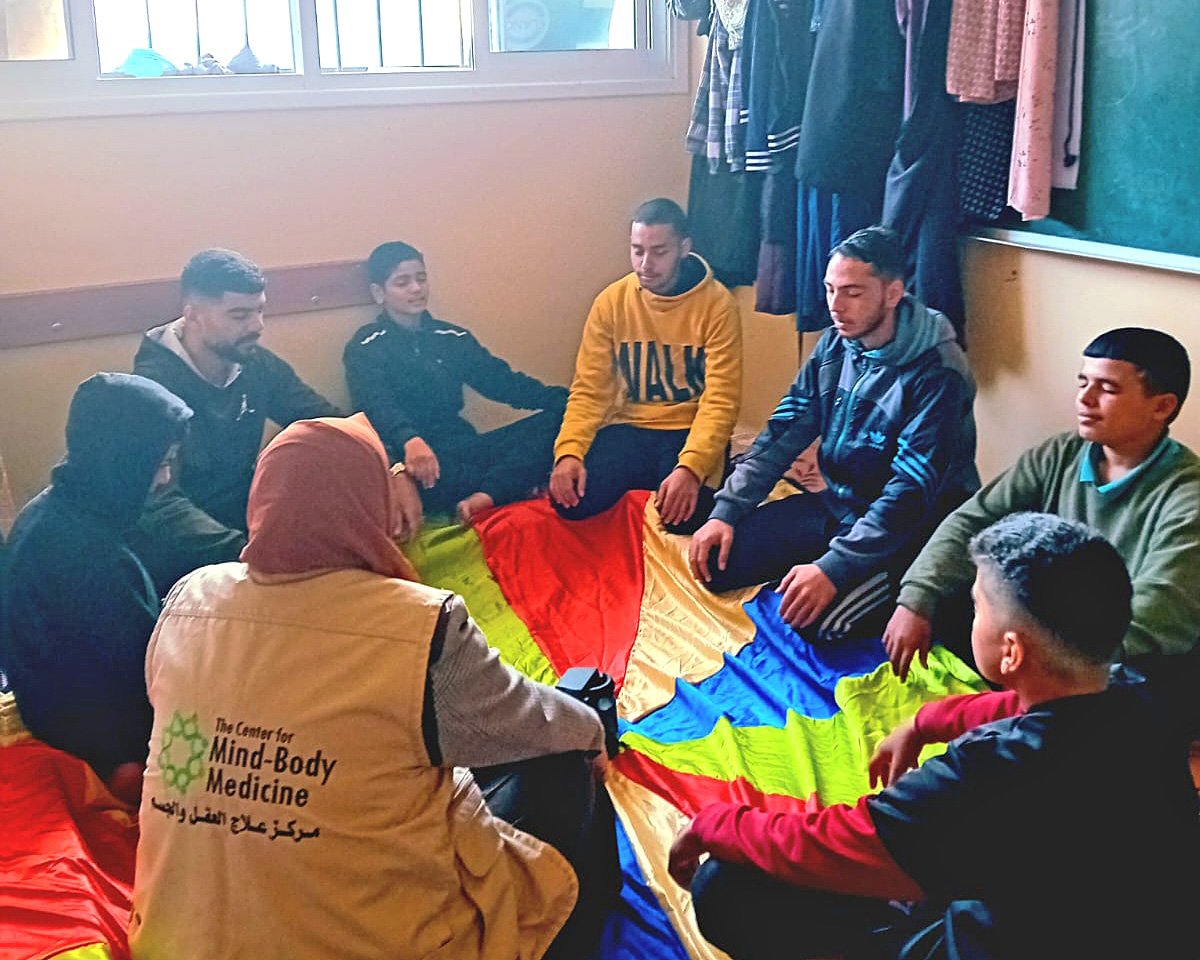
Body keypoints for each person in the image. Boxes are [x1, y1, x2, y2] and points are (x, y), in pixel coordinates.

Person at [130, 413, 619, 960]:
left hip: (176, 939)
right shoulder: (419, 626)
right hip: (374, 939)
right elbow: (534, 720)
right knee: (564, 763)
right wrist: (593, 731)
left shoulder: (190, 599)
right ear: (369, 505)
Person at [669, 512, 1200, 960]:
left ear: (1010, 652)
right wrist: (927, 722)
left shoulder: (984, 773)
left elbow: (829, 845)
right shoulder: (1138, 695)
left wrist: (715, 823)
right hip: (1136, 921)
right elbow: (1020, 705)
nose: (970, 617)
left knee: (726, 888)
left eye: (977, 608)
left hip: (1005, 937)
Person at [884, 328, 1200, 727]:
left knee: (1140, 691)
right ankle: (1016, 698)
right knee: (938, 588)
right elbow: (974, 521)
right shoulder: (1059, 454)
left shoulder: (1187, 494)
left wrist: (1055, 667)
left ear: (1162, 406)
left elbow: (1159, 614)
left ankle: (1025, 705)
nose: (1085, 400)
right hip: (1048, 633)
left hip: (1118, 655)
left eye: (1108, 389)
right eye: (1083, 383)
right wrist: (918, 598)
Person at [688, 225, 977, 644]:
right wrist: (727, 510)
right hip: (836, 505)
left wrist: (834, 568)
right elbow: (784, 430)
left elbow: (909, 495)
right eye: (829, 290)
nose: (836, 306)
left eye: (853, 293)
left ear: (893, 293)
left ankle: (902, 590)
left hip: (908, 532)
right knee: (717, 565)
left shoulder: (939, 372)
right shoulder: (836, 343)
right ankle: (824, 562)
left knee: (815, 626)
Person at [2, 373, 190, 793]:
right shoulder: (82, 553)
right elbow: (142, 668)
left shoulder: (55, 508)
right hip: (99, 748)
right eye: (157, 464)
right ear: (122, 461)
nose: (163, 480)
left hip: (73, 715)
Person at [130, 248, 343, 593]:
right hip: (186, 561)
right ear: (193, 315)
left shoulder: (254, 363)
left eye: (260, 311)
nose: (256, 326)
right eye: (239, 315)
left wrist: (392, 469)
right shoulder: (154, 390)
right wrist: (245, 553)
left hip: (248, 527)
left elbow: (327, 423)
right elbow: (160, 504)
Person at [550, 198, 742, 533]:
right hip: (632, 425)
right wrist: (569, 452)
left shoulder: (718, 304)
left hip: (688, 427)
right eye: (637, 250)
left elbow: (720, 401)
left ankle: (706, 474)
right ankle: (650, 478)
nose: (646, 264)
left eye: (659, 251)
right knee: (569, 504)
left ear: (684, 248)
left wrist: (692, 469)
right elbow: (589, 391)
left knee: (686, 521)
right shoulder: (611, 302)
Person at [344, 241, 568, 525]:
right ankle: (505, 487)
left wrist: (575, 402)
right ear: (379, 293)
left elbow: (504, 383)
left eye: (421, 279)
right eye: (403, 282)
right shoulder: (365, 347)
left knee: (562, 423)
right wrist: (409, 439)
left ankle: (488, 494)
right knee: (426, 481)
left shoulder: (452, 338)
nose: (416, 288)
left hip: (465, 447)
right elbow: (375, 405)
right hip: (418, 463)